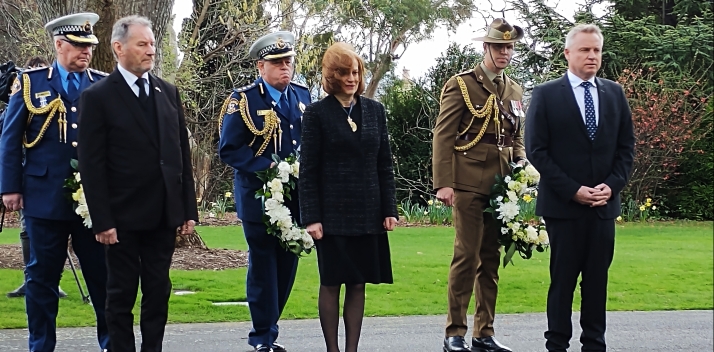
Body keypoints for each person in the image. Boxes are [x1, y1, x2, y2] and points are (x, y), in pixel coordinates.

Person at [77, 15, 198, 352]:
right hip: (122, 219)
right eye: (142, 44)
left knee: (158, 292)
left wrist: (187, 208)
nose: (151, 51)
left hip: (162, 216)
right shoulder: (98, 97)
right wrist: (102, 220)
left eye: (153, 45)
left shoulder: (168, 93)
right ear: (119, 48)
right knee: (120, 296)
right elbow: (92, 165)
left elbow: (180, 158)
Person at [0, 13, 111, 352]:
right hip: (43, 197)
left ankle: (111, 342)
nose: (86, 52)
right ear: (59, 45)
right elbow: (10, 138)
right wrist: (10, 187)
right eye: (78, 45)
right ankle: (41, 345)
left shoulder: (104, 84)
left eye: (89, 46)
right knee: (42, 278)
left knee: (103, 278)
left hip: (93, 202)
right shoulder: (31, 83)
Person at [525, 24, 635, 352]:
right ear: (568, 53)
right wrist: (573, 189)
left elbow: (626, 148)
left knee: (597, 282)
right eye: (585, 50)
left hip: (603, 208)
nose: (592, 56)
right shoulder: (546, 94)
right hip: (564, 207)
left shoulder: (614, 93)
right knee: (563, 282)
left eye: (597, 50)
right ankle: (557, 344)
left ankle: (594, 345)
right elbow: (537, 150)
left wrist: (612, 187)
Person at [433, 18, 528, 352]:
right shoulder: (462, 85)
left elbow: (515, 136)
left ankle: (483, 333)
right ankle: (454, 333)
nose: (505, 52)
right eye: (499, 47)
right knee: (466, 256)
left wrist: (520, 165)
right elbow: (443, 136)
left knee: (491, 258)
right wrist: (443, 184)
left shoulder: (513, 88)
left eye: (510, 47)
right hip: (468, 181)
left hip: (501, 186)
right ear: (485, 48)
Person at [299, 42, 398, 352]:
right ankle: (333, 349)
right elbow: (308, 170)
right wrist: (311, 217)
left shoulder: (375, 110)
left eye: (355, 72)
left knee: (358, 283)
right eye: (344, 73)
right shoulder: (316, 114)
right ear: (332, 76)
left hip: (368, 213)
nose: (352, 78)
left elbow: (385, 164)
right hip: (331, 218)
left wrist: (389, 209)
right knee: (331, 283)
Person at [218, 30, 312, 352]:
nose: (285, 67)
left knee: (287, 267)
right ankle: (262, 338)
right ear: (261, 66)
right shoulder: (243, 100)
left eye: (288, 61)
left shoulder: (302, 97)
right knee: (263, 267)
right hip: (259, 199)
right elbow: (229, 149)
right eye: (277, 62)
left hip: (295, 200)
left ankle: (270, 330)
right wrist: (269, 169)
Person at [4, 56, 69, 299]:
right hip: (32, 177)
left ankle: (55, 280)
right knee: (28, 231)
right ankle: (29, 277)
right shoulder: (24, 89)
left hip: (65, 178)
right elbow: (8, 133)